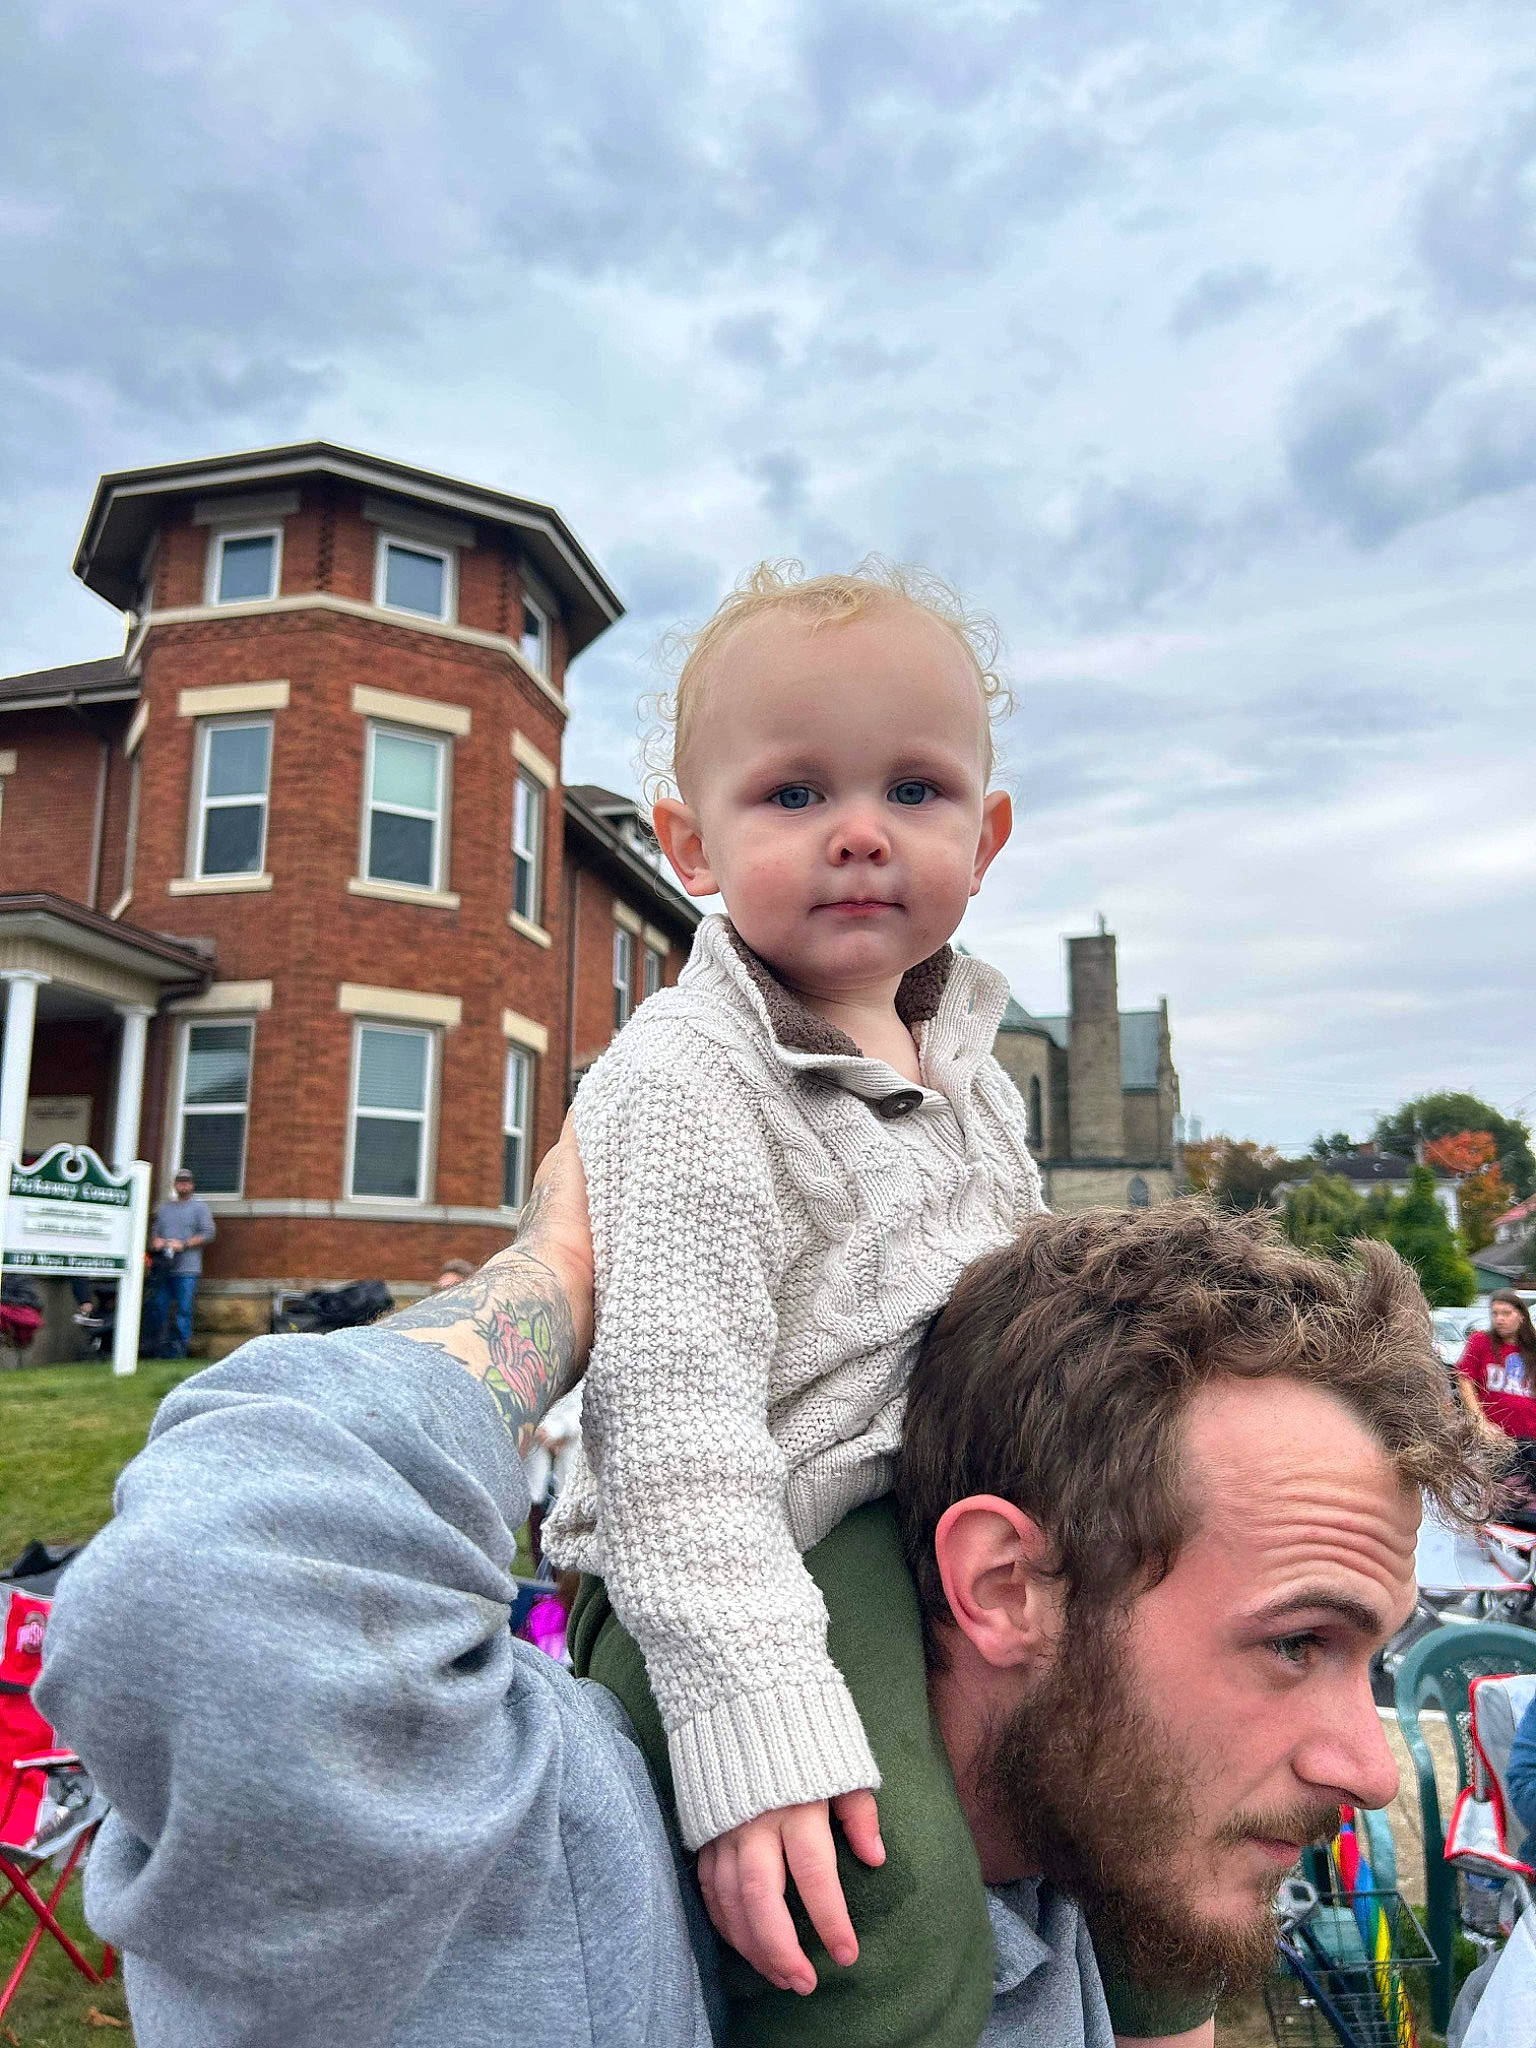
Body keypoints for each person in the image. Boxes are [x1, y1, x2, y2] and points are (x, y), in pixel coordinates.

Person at [36, 1146, 1491, 2048]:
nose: (1369, 1765)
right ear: (1006, 1587)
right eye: (1299, 1642)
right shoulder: (565, 1894)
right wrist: (573, 1269)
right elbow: (206, 1601)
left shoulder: (1078, 1905)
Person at [546, 560, 1071, 2046]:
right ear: (688, 845)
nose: (857, 831)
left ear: (989, 833)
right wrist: (746, 1712)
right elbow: (672, 1425)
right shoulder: (685, 1077)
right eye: (791, 795)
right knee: (871, 1909)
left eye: (915, 789)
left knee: (1149, 1770)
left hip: (950, 1512)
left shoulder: (973, 1077)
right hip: (757, 1542)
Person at [1457, 1292, 1536, 1495]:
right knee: (1499, 1496)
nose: (1499, 1319)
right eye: (1495, 1313)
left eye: (1506, 1313)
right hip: (1497, 1439)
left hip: (1529, 1439)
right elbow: (1465, 1379)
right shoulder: (1481, 1341)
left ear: (1521, 1316)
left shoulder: (1532, 1350)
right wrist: (1480, 1421)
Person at [141, 1168, 215, 1360]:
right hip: (163, 1269)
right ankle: (159, 1348)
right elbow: (154, 1235)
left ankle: (180, 1351)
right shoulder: (165, 1208)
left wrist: (183, 1244)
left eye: (187, 1182)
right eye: (180, 1182)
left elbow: (208, 1233)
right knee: (158, 1307)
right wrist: (156, 1241)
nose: (183, 1185)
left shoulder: (200, 1208)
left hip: (187, 1269)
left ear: (192, 1185)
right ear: (174, 1184)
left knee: (184, 1310)